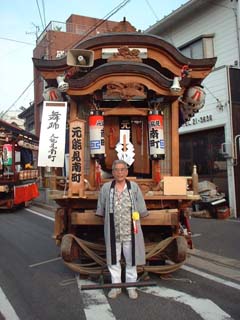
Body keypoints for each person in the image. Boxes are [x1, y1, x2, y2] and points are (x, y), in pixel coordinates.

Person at [96, 160, 148, 299]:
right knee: (113, 260)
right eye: (116, 170)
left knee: (131, 259)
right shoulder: (106, 188)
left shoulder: (134, 187)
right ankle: (116, 286)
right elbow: (101, 209)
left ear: (126, 171)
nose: (119, 172)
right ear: (112, 172)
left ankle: (131, 287)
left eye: (122, 169)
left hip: (130, 231)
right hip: (113, 231)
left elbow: (142, 209)